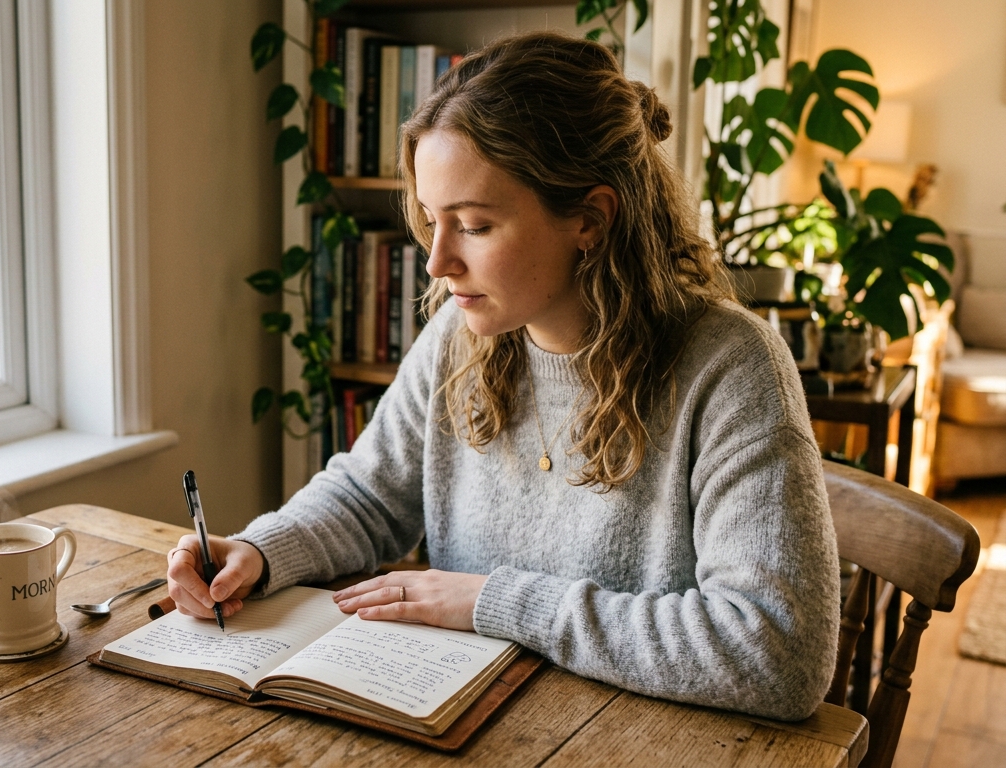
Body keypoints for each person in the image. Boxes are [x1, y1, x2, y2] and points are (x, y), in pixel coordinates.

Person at [167, 30, 839, 721]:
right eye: (432, 221)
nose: (436, 262)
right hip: (471, 725)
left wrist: (495, 601)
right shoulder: (460, 337)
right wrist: (257, 549)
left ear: (590, 219)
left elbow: (776, 654)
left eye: (474, 226)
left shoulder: (732, 367)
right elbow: (369, 496)